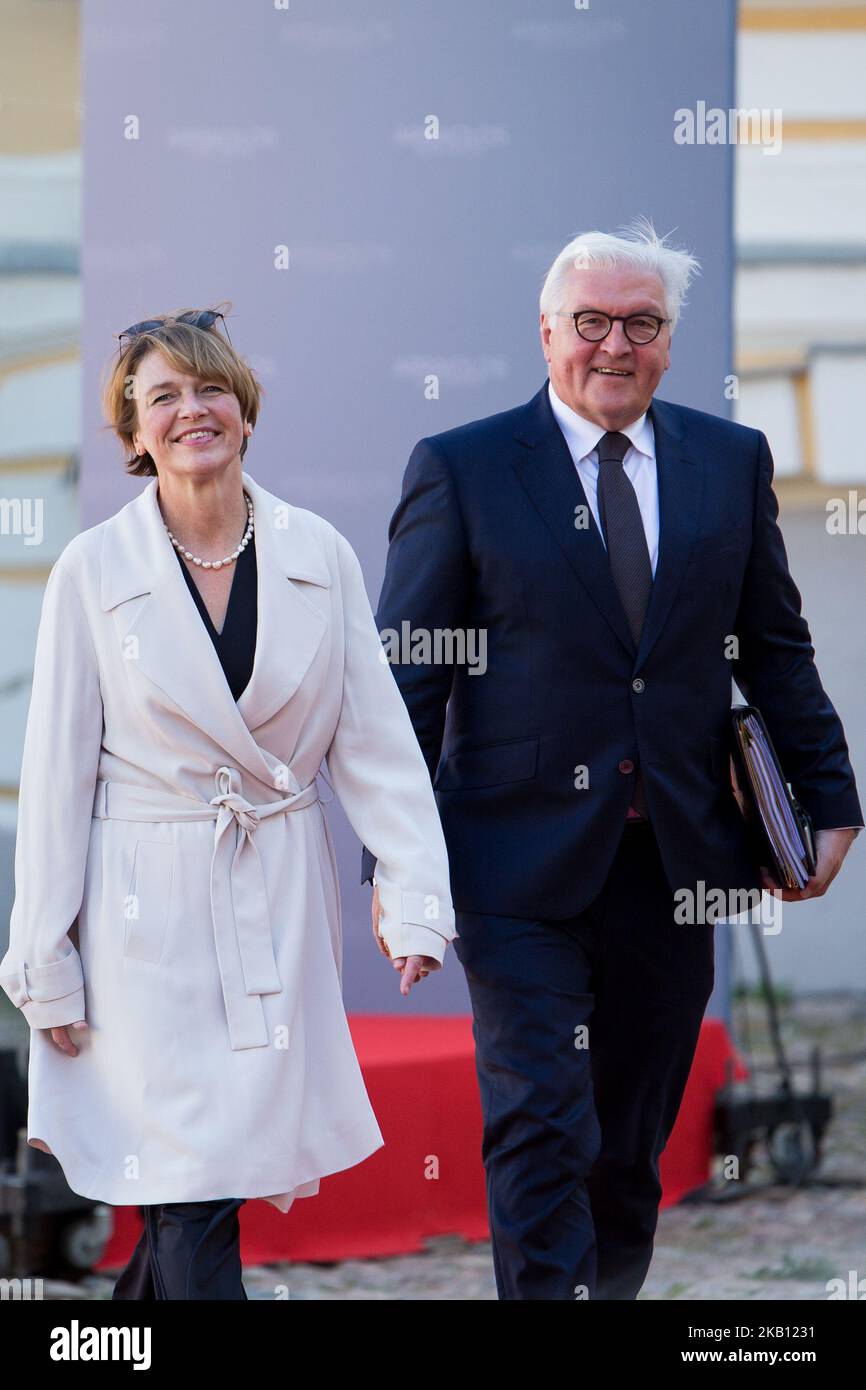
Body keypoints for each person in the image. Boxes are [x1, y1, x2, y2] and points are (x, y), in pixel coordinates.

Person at [361, 220, 863, 1300]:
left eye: (640, 324)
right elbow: (405, 682)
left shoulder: (726, 462)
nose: (613, 345)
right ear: (545, 334)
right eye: (589, 322)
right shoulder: (461, 469)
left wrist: (827, 797)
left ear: (669, 342)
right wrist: (399, 869)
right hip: (513, 868)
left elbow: (772, 646)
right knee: (541, 1120)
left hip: (675, 868)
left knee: (624, 1147)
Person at [0, 306, 455, 1300]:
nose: (190, 409)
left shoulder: (317, 552)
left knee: (203, 1189)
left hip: (273, 901)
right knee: (191, 1184)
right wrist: (46, 959)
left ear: (244, 411)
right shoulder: (92, 571)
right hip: (140, 922)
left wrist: (414, 893)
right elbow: (55, 782)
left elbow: (374, 744)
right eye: (160, 396)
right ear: (131, 433)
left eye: (209, 389)